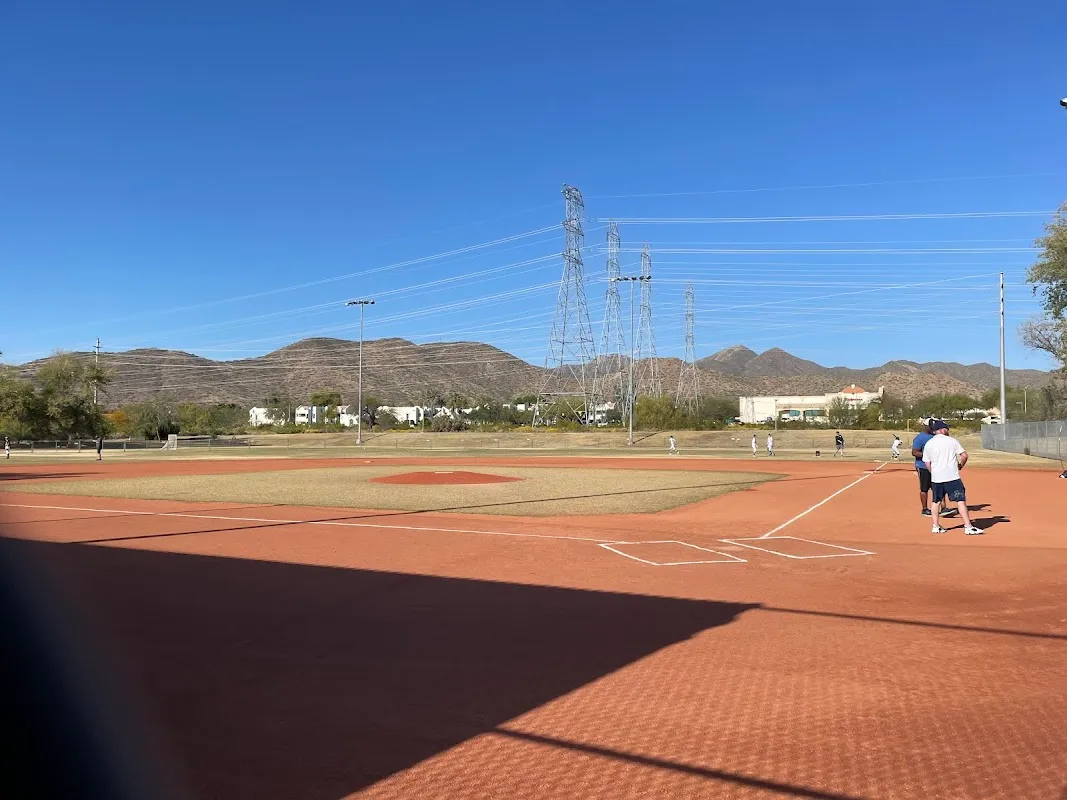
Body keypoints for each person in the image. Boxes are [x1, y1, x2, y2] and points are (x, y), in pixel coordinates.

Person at [922, 419, 982, 535]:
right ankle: (968, 526)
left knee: (936, 501)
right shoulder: (952, 441)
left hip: (937, 478)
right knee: (960, 500)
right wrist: (960, 465)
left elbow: (927, 462)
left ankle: (935, 526)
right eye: (946, 429)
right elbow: (964, 456)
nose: (948, 431)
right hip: (952, 477)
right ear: (942, 430)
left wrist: (933, 472)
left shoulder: (929, 443)